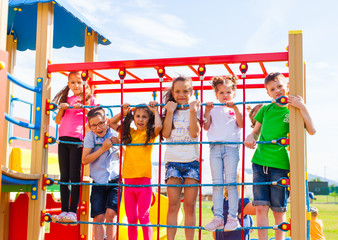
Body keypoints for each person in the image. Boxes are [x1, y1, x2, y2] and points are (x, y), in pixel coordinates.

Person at [244, 72, 316, 240]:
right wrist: (250, 137)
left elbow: (311, 130)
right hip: (259, 163)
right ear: (268, 93)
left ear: (287, 86)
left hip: (280, 166)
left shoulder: (293, 110)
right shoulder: (265, 110)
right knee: (261, 208)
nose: (277, 90)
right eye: (272, 89)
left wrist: (302, 106)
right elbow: (255, 133)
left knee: (278, 209)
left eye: (280, 86)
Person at [109, 101, 162, 240]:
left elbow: (159, 127)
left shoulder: (149, 135)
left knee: (143, 218)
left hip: (144, 183)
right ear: (133, 118)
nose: (140, 119)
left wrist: (155, 111)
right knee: (131, 219)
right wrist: (124, 113)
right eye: (137, 116)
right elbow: (110, 123)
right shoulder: (128, 134)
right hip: (128, 183)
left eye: (144, 117)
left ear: (149, 119)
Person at [51, 71, 97, 223]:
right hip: (63, 140)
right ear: (68, 84)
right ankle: (64, 210)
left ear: (84, 83)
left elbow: (93, 118)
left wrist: (83, 107)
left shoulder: (89, 99)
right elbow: (58, 121)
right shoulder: (67, 99)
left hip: (77, 140)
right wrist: (62, 108)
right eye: (72, 82)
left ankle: (72, 211)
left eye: (79, 82)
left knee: (74, 176)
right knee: (64, 177)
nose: (76, 85)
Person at [162, 76, 202, 240]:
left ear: (191, 92)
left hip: (191, 162)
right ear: (172, 92)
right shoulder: (169, 109)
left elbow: (194, 133)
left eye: (185, 91)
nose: (181, 94)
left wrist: (192, 111)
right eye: (177, 91)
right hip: (173, 162)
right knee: (173, 204)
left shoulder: (195, 108)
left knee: (190, 205)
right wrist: (170, 112)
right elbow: (165, 134)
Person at [204, 75, 244, 232]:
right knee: (217, 183)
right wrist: (207, 111)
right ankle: (218, 217)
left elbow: (241, 124)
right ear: (216, 94)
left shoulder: (235, 108)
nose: (225, 95)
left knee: (231, 182)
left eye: (228, 92)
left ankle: (233, 217)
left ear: (234, 93)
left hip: (231, 148)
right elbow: (206, 126)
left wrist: (236, 109)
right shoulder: (213, 108)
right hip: (215, 148)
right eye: (221, 92)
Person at [82, 107, 121, 240]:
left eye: (101, 123)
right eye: (94, 125)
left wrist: (121, 144)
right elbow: (84, 160)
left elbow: (129, 153)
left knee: (111, 213)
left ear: (107, 121)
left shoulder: (116, 133)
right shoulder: (90, 137)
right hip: (98, 181)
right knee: (98, 216)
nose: (98, 128)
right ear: (89, 126)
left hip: (115, 180)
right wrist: (103, 149)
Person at [213, 171, 256, 240]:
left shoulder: (220, 203)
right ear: (244, 185)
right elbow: (260, 208)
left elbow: (215, 234)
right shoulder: (240, 203)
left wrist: (249, 219)